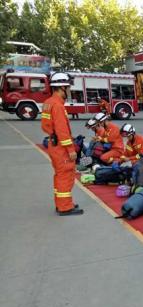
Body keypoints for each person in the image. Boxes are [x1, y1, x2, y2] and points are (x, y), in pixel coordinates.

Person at [41, 72, 83, 216]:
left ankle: (62, 203)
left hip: (54, 144)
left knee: (60, 175)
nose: (70, 90)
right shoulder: (58, 105)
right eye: (68, 87)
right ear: (62, 88)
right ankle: (65, 207)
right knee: (65, 175)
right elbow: (62, 130)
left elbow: (45, 126)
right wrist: (71, 149)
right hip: (61, 147)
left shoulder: (48, 102)